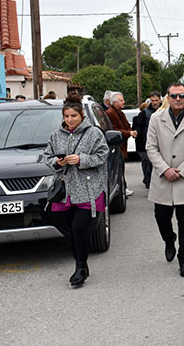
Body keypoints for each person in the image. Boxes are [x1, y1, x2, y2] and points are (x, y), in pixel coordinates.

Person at [43, 92, 109, 286]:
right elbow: (47, 157)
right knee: (70, 230)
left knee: (80, 227)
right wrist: (57, 162)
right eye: (66, 116)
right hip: (65, 190)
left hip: (89, 188)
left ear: (82, 115)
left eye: (74, 116)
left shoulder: (94, 133)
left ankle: (80, 267)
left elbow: (102, 155)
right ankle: (81, 264)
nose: (70, 120)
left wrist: (82, 159)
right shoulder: (55, 135)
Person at [146, 83, 184, 278]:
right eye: (174, 96)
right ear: (168, 98)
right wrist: (165, 169)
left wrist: (182, 171)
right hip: (162, 178)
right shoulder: (156, 118)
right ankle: (169, 239)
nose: (178, 99)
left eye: (181, 96)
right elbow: (151, 147)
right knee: (161, 218)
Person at [106, 91, 137, 196]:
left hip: (122, 145)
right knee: (118, 169)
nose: (123, 102)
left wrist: (131, 131)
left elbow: (126, 125)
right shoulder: (110, 113)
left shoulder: (120, 113)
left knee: (121, 168)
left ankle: (123, 187)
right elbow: (114, 129)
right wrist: (128, 133)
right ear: (114, 102)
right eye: (121, 100)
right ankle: (122, 188)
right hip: (116, 145)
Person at [134, 91, 162, 188]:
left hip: (162, 142)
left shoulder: (165, 111)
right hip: (147, 143)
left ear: (160, 100)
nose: (154, 102)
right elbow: (139, 127)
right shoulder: (144, 113)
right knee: (148, 164)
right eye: (152, 100)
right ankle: (148, 182)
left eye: (156, 100)